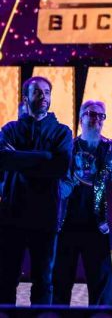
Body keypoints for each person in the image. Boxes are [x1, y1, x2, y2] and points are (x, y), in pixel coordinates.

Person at [0, 76, 73, 305]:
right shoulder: (10, 129)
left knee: (43, 280)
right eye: (37, 92)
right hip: (12, 215)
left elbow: (60, 167)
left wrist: (18, 158)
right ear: (26, 98)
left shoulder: (62, 132)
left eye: (47, 92)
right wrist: (45, 157)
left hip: (46, 217)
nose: (43, 97)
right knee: (5, 279)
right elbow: (3, 159)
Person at [53, 100, 112, 306]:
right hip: (67, 224)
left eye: (101, 116)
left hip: (100, 227)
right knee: (60, 284)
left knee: (101, 288)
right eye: (91, 114)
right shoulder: (67, 147)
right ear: (81, 119)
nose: (97, 119)